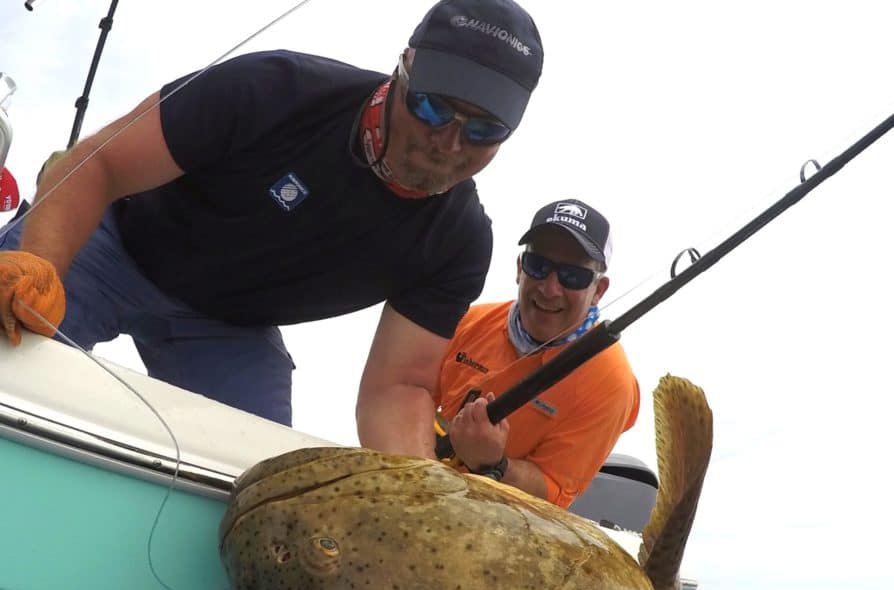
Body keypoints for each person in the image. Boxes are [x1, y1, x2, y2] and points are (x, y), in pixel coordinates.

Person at [0, 0, 543, 456]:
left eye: (484, 129)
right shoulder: (278, 90)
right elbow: (98, 164)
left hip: (230, 328)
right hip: (113, 246)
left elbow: (396, 389)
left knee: (250, 470)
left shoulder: (460, 243)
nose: (449, 143)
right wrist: (42, 263)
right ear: (403, 69)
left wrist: (418, 495)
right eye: (432, 107)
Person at [434, 198, 640, 509]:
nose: (550, 288)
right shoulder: (469, 321)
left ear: (598, 290)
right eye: (538, 266)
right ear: (520, 268)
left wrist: (493, 464)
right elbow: (414, 395)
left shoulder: (612, 383)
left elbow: (555, 489)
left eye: (573, 276)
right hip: (422, 484)